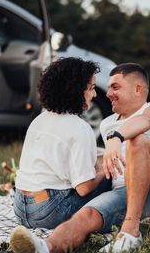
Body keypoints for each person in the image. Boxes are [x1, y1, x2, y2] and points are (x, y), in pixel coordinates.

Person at [10, 62, 150, 253]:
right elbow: (105, 162)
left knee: (138, 140)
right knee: (87, 214)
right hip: (123, 194)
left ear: (139, 89)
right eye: (108, 87)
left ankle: (130, 233)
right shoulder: (107, 123)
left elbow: (145, 121)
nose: (107, 93)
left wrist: (117, 137)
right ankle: (46, 249)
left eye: (115, 87)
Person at [12, 57, 111, 232]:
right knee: (111, 181)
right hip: (48, 212)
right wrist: (104, 170)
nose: (94, 94)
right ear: (76, 90)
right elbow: (84, 188)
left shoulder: (39, 120)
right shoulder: (80, 127)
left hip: (20, 207)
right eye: (91, 88)